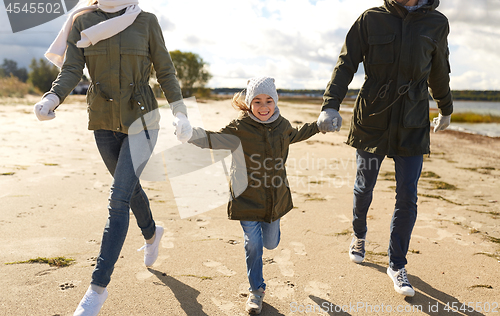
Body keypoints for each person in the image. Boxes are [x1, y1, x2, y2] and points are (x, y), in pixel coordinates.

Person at [33, 0, 192, 315]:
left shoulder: (147, 22)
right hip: (103, 122)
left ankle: (96, 290)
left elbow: (165, 70)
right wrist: (53, 96)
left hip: (143, 120)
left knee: (118, 199)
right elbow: (72, 69)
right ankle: (151, 232)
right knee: (129, 190)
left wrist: (180, 112)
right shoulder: (82, 21)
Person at [317, 0, 453, 297]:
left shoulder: (437, 23)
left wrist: (446, 108)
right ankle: (358, 235)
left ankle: (397, 264)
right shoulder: (370, 18)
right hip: (372, 120)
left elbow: (439, 69)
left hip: (413, 123)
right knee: (364, 187)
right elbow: (346, 63)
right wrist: (330, 105)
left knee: (408, 195)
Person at [187, 77, 327, 314]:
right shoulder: (239, 128)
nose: (264, 106)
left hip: (274, 197)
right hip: (246, 198)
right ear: (249, 103)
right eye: (258, 101)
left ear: (276, 101)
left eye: (269, 100)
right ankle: (256, 291)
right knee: (254, 244)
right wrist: (190, 134)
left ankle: (271, 235)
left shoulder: (282, 125)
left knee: (270, 243)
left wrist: (319, 125)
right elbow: (214, 139)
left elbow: (296, 134)